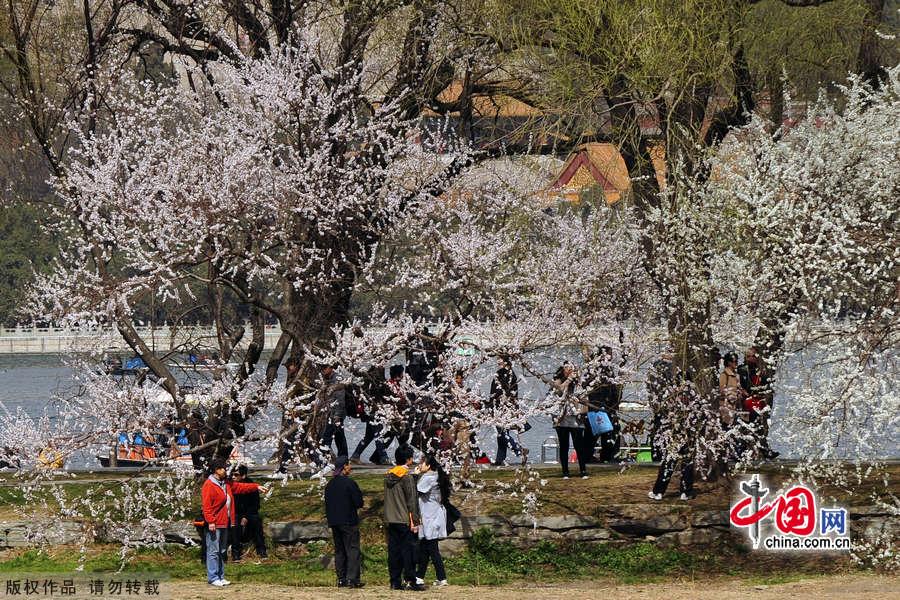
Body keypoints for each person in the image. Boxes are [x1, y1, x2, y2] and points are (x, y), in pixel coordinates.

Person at [201, 458, 267, 587]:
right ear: (216, 470)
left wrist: (256, 487)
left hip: (225, 521)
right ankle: (213, 576)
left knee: (222, 550)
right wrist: (210, 521)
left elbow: (240, 487)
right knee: (213, 550)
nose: (225, 471)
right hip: (215, 523)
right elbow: (207, 506)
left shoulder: (225, 483)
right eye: (222, 468)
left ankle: (220, 575)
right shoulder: (209, 485)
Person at [384, 446, 424, 591]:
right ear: (409, 459)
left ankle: (395, 581)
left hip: (390, 518)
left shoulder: (389, 474)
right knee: (408, 551)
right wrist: (416, 519)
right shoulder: (406, 476)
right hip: (404, 519)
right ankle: (410, 580)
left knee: (393, 551)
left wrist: (415, 476)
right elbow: (411, 500)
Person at [324, 456, 364, 588]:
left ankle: (341, 578)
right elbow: (359, 502)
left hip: (334, 521)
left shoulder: (329, 485)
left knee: (340, 550)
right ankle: (352, 579)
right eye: (349, 465)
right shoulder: (349, 483)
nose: (350, 468)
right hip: (348, 521)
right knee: (352, 549)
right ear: (345, 467)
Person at [414, 455, 450, 587]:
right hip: (432, 516)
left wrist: (415, 476)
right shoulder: (436, 476)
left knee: (432, 549)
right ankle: (419, 576)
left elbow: (415, 490)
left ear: (428, 466)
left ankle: (442, 578)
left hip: (430, 517)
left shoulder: (429, 477)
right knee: (425, 547)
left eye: (422, 463)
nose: (419, 465)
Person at [737, 348, 779, 460]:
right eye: (750, 356)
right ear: (746, 357)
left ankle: (762, 449)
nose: (753, 358)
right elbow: (737, 384)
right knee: (747, 427)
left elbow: (764, 384)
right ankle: (746, 451)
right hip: (744, 403)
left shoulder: (760, 370)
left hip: (755, 402)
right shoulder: (741, 370)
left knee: (758, 426)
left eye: (755, 356)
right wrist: (742, 392)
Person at [550, 362, 588, 479]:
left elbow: (585, 398)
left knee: (579, 445)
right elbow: (558, 391)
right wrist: (568, 380)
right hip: (562, 418)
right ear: (563, 370)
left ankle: (583, 470)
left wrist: (582, 411)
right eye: (567, 369)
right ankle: (565, 472)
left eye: (572, 369)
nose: (569, 371)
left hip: (576, 418)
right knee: (564, 445)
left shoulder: (579, 384)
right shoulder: (558, 381)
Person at [350, 365, 390, 465]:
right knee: (378, 435)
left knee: (369, 436)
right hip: (375, 412)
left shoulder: (366, 382)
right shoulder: (376, 383)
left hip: (370, 413)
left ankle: (355, 455)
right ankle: (384, 457)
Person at [488, 356, 523, 466]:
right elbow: (493, 391)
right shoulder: (499, 373)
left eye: (500, 360)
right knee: (501, 434)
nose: (498, 362)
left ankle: (519, 450)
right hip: (498, 407)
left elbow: (511, 392)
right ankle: (500, 458)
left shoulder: (510, 375)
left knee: (502, 433)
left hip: (506, 407)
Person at [233, 465, 268, 561]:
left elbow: (255, 505)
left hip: (250, 512)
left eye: (236, 475)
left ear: (243, 476)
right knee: (235, 526)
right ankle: (235, 553)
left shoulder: (251, 485)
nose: (233, 477)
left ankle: (261, 550)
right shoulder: (232, 486)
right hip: (236, 513)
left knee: (256, 522)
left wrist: (246, 517)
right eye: (232, 474)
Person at [319, 364, 348, 460]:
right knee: (339, 437)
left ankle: (324, 460)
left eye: (324, 368)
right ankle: (343, 459)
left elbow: (340, 400)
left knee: (327, 437)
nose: (323, 370)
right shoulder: (325, 379)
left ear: (331, 368)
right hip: (329, 412)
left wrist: (337, 415)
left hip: (335, 414)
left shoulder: (337, 379)